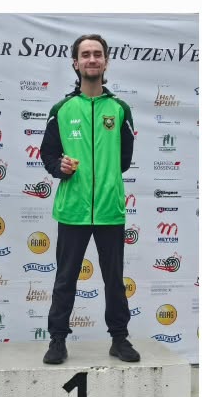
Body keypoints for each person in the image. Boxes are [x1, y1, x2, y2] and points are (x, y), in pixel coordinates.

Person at [38, 34, 138, 365]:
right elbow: (48, 154)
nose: (92, 59)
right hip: (72, 210)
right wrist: (60, 167)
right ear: (75, 63)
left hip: (110, 210)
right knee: (65, 278)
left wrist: (104, 180)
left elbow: (124, 160)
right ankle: (57, 341)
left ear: (106, 62)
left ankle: (119, 339)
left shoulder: (120, 110)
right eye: (85, 55)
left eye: (97, 54)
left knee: (114, 280)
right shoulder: (62, 109)